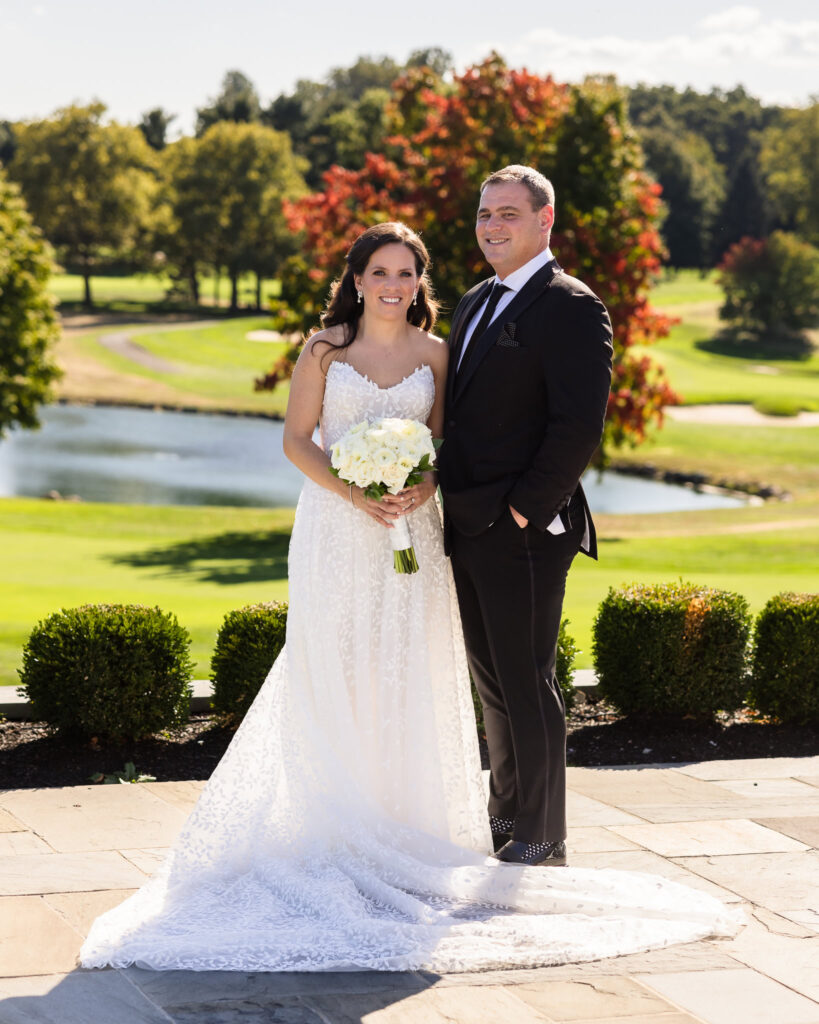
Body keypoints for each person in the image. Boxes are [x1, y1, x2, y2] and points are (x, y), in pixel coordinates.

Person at [80, 222, 737, 974]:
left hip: (418, 532)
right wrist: (354, 491)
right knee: (338, 666)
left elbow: (452, 443)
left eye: (406, 273)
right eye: (379, 271)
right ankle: (334, 827)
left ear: (418, 284)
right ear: (355, 278)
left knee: (413, 671)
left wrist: (419, 484)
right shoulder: (322, 349)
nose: (393, 284)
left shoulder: (437, 354)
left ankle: (411, 825)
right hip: (337, 529)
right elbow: (298, 440)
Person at [438, 165, 613, 867]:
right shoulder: (474, 299)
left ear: (545, 221)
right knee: (494, 687)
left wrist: (519, 513)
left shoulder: (571, 305)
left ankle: (543, 836)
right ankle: (506, 821)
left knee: (526, 683)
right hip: (466, 523)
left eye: (507, 213)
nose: (491, 227)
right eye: (484, 214)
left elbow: (576, 429)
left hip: (524, 533)